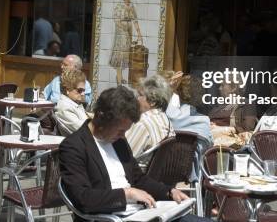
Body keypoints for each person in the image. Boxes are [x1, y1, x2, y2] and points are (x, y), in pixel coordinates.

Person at [59, 86, 205, 221]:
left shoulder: (118, 142)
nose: (123, 136)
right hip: (110, 217)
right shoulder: (74, 147)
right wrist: (127, 194)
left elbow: (138, 179)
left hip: (140, 212)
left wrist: (169, 192)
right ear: (101, 118)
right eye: (120, 130)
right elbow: (83, 198)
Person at [125, 74, 174, 158]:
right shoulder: (166, 120)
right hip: (158, 170)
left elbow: (124, 155)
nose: (136, 99)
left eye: (140, 95)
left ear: (152, 101)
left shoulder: (143, 122)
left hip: (138, 170)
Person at [110, 0, 143, 86]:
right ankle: (119, 80)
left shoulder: (132, 6)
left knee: (126, 55)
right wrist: (123, 26)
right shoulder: (119, 6)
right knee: (120, 55)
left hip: (128, 32)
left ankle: (121, 76)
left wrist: (139, 34)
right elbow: (116, 19)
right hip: (121, 33)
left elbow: (135, 20)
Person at [55, 69, 89, 136]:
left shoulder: (73, 103)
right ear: (67, 89)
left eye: (84, 90)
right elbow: (86, 130)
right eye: (80, 90)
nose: (83, 94)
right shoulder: (65, 108)